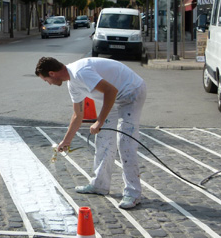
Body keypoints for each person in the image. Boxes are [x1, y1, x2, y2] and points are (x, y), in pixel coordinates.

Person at [35, 56, 147, 209]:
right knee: (103, 138)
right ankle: (99, 185)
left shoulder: (80, 72)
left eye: (46, 80)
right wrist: (66, 141)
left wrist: (99, 121)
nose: (48, 83)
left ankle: (133, 193)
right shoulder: (72, 84)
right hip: (114, 98)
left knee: (125, 142)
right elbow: (78, 115)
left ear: (52, 73)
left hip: (131, 92)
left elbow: (111, 90)